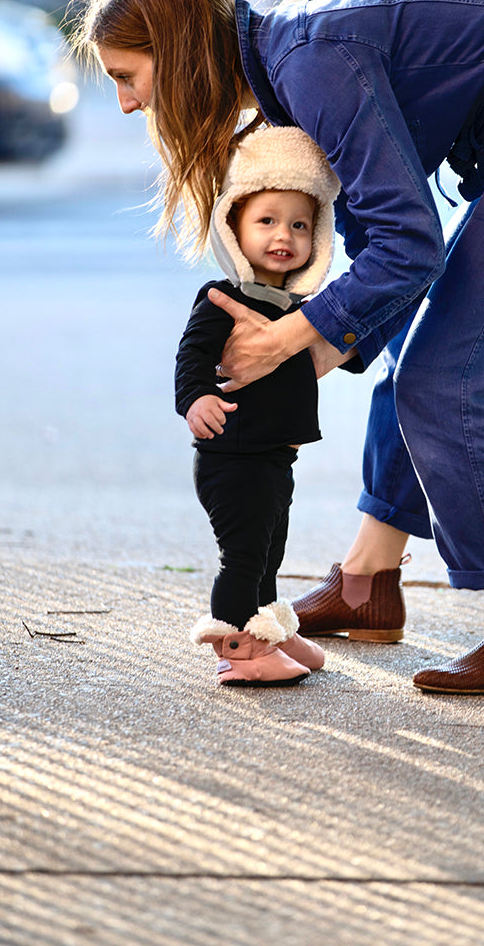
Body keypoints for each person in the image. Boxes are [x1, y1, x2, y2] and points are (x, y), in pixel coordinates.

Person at [79, 0, 484, 696]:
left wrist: (295, 336)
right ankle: (367, 581)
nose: (129, 103)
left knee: (450, 379)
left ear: (177, 51)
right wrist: (312, 351)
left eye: (127, 77)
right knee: (417, 361)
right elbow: (378, 238)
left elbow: (408, 243)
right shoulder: (288, 74)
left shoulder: (309, 63)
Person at [174, 123, 340, 686]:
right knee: (243, 556)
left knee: (269, 550)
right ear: (234, 226)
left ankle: (268, 626)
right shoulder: (225, 297)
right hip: (234, 456)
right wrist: (195, 397)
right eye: (266, 220)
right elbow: (192, 354)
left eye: (299, 224)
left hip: (272, 457)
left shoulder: (299, 307)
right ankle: (238, 647)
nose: (283, 235)